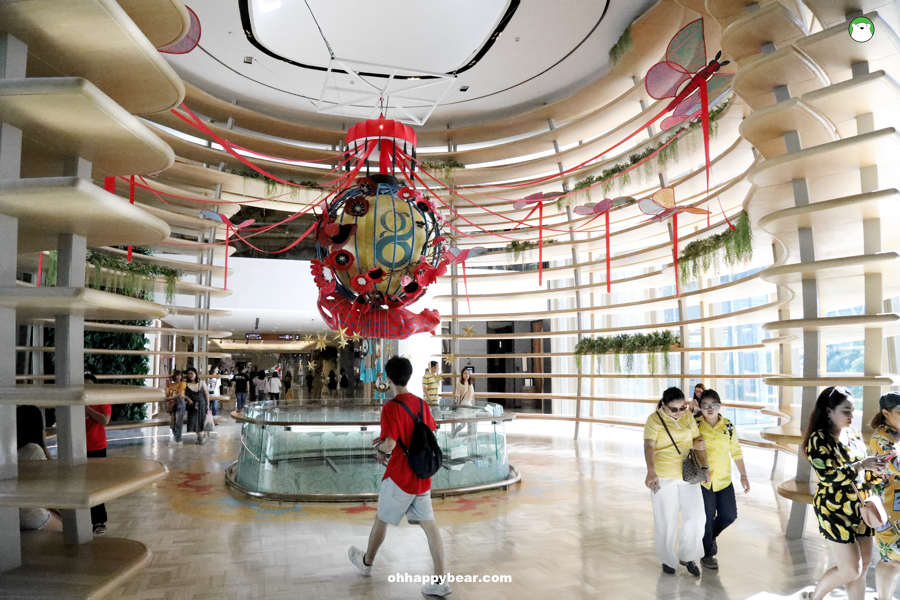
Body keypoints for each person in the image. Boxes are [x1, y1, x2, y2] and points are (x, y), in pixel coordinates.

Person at [348, 356, 450, 597]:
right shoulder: (422, 405)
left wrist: (379, 450)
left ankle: (366, 562)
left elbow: (391, 444)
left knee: (381, 520)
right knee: (430, 526)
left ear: (388, 378)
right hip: (422, 477)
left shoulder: (391, 407)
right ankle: (440, 580)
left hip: (400, 477)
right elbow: (427, 431)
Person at [802, 386, 886, 600]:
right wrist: (861, 465)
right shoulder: (818, 439)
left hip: (861, 506)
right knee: (850, 569)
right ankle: (814, 597)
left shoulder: (853, 434)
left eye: (853, 410)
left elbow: (863, 475)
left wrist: (875, 471)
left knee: (864, 565)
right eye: (846, 410)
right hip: (834, 509)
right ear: (829, 411)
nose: (852, 415)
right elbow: (828, 476)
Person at [643, 387, 711, 576]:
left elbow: (699, 441)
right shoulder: (654, 420)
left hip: (689, 475)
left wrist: (706, 468)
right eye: (674, 409)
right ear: (664, 405)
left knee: (698, 517)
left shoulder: (688, 417)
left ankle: (688, 556)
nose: (679, 412)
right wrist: (651, 472)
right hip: (664, 476)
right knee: (666, 520)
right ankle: (668, 560)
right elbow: (649, 445)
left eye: (682, 408)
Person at [694, 388, 749, 570]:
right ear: (700, 407)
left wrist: (743, 475)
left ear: (720, 406)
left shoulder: (728, 426)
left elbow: (736, 451)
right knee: (707, 517)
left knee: (729, 515)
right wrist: (692, 443)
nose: (710, 409)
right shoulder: (694, 423)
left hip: (724, 480)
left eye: (714, 405)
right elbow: (681, 445)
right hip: (704, 481)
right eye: (705, 406)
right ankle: (707, 554)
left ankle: (709, 538)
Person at [868, 392, 900, 600]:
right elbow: (896, 464)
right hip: (889, 510)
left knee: (893, 559)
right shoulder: (881, 438)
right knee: (891, 557)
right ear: (886, 413)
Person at [16, 405, 63, 532]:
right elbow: (50, 482)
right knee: (68, 531)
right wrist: (43, 445)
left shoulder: (11, 451)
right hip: (29, 513)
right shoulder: (33, 450)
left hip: (12, 511)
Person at [84, 373, 112, 535]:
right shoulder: (74, 401)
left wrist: (87, 409)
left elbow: (105, 420)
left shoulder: (102, 400)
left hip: (97, 447)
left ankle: (99, 520)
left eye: (90, 385)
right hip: (78, 448)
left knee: (96, 485)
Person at [183, 368, 209, 445]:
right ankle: (200, 436)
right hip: (192, 406)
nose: (190, 375)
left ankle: (200, 436)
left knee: (201, 421)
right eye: (189, 374)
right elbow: (182, 394)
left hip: (202, 404)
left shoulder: (202, 383)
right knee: (193, 421)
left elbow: (206, 394)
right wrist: (188, 399)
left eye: (192, 373)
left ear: (195, 374)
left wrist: (208, 404)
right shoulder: (186, 384)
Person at [166, 370, 186, 446]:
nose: (178, 377)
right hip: (172, 402)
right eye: (177, 375)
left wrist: (171, 397)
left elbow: (180, 394)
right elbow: (167, 394)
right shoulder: (170, 385)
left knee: (179, 420)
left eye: (180, 375)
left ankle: (178, 439)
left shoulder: (182, 384)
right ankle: (176, 437)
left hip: (180, 401)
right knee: (172, 421)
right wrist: (170, 399)